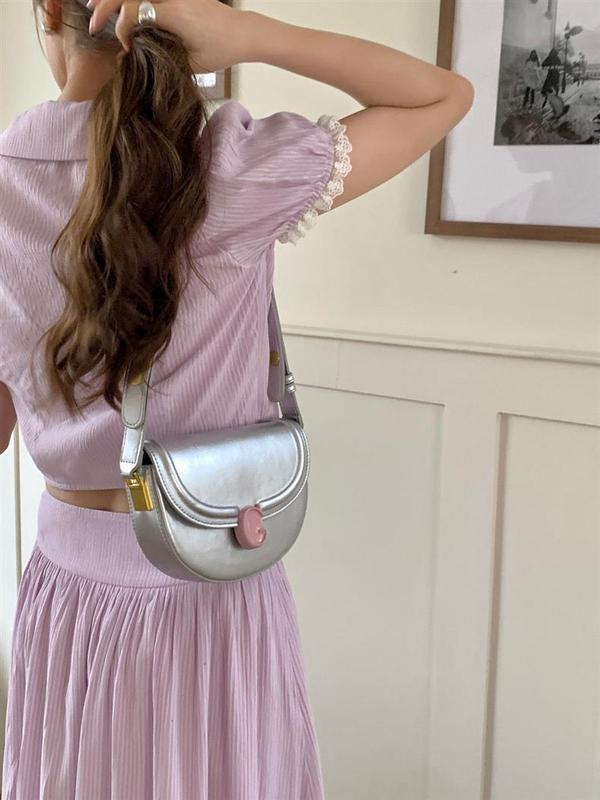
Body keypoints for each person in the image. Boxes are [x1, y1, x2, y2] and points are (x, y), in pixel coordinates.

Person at [0, 0, 474, 796]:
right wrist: (254, 37)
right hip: (211, 578)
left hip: (69, 593)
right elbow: (443, 95)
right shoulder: (226, 166)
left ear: (49, 9)